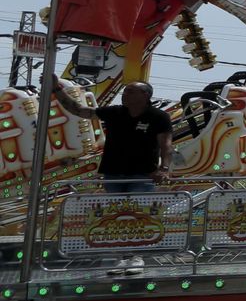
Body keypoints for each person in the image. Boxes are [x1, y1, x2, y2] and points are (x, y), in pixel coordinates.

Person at [51, 79, 174, 277]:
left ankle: (137, 257)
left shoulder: (158, 117)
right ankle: (122, 257)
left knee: (137, 214)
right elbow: (80, 111)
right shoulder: (115, 112)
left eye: (130, 91)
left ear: (145, 95)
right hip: (113, 173)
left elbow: (166, 145)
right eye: (125, 91)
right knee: (117, 216)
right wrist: (57, 89)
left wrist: (164, 168)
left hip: (141, 175)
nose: (125, 94)